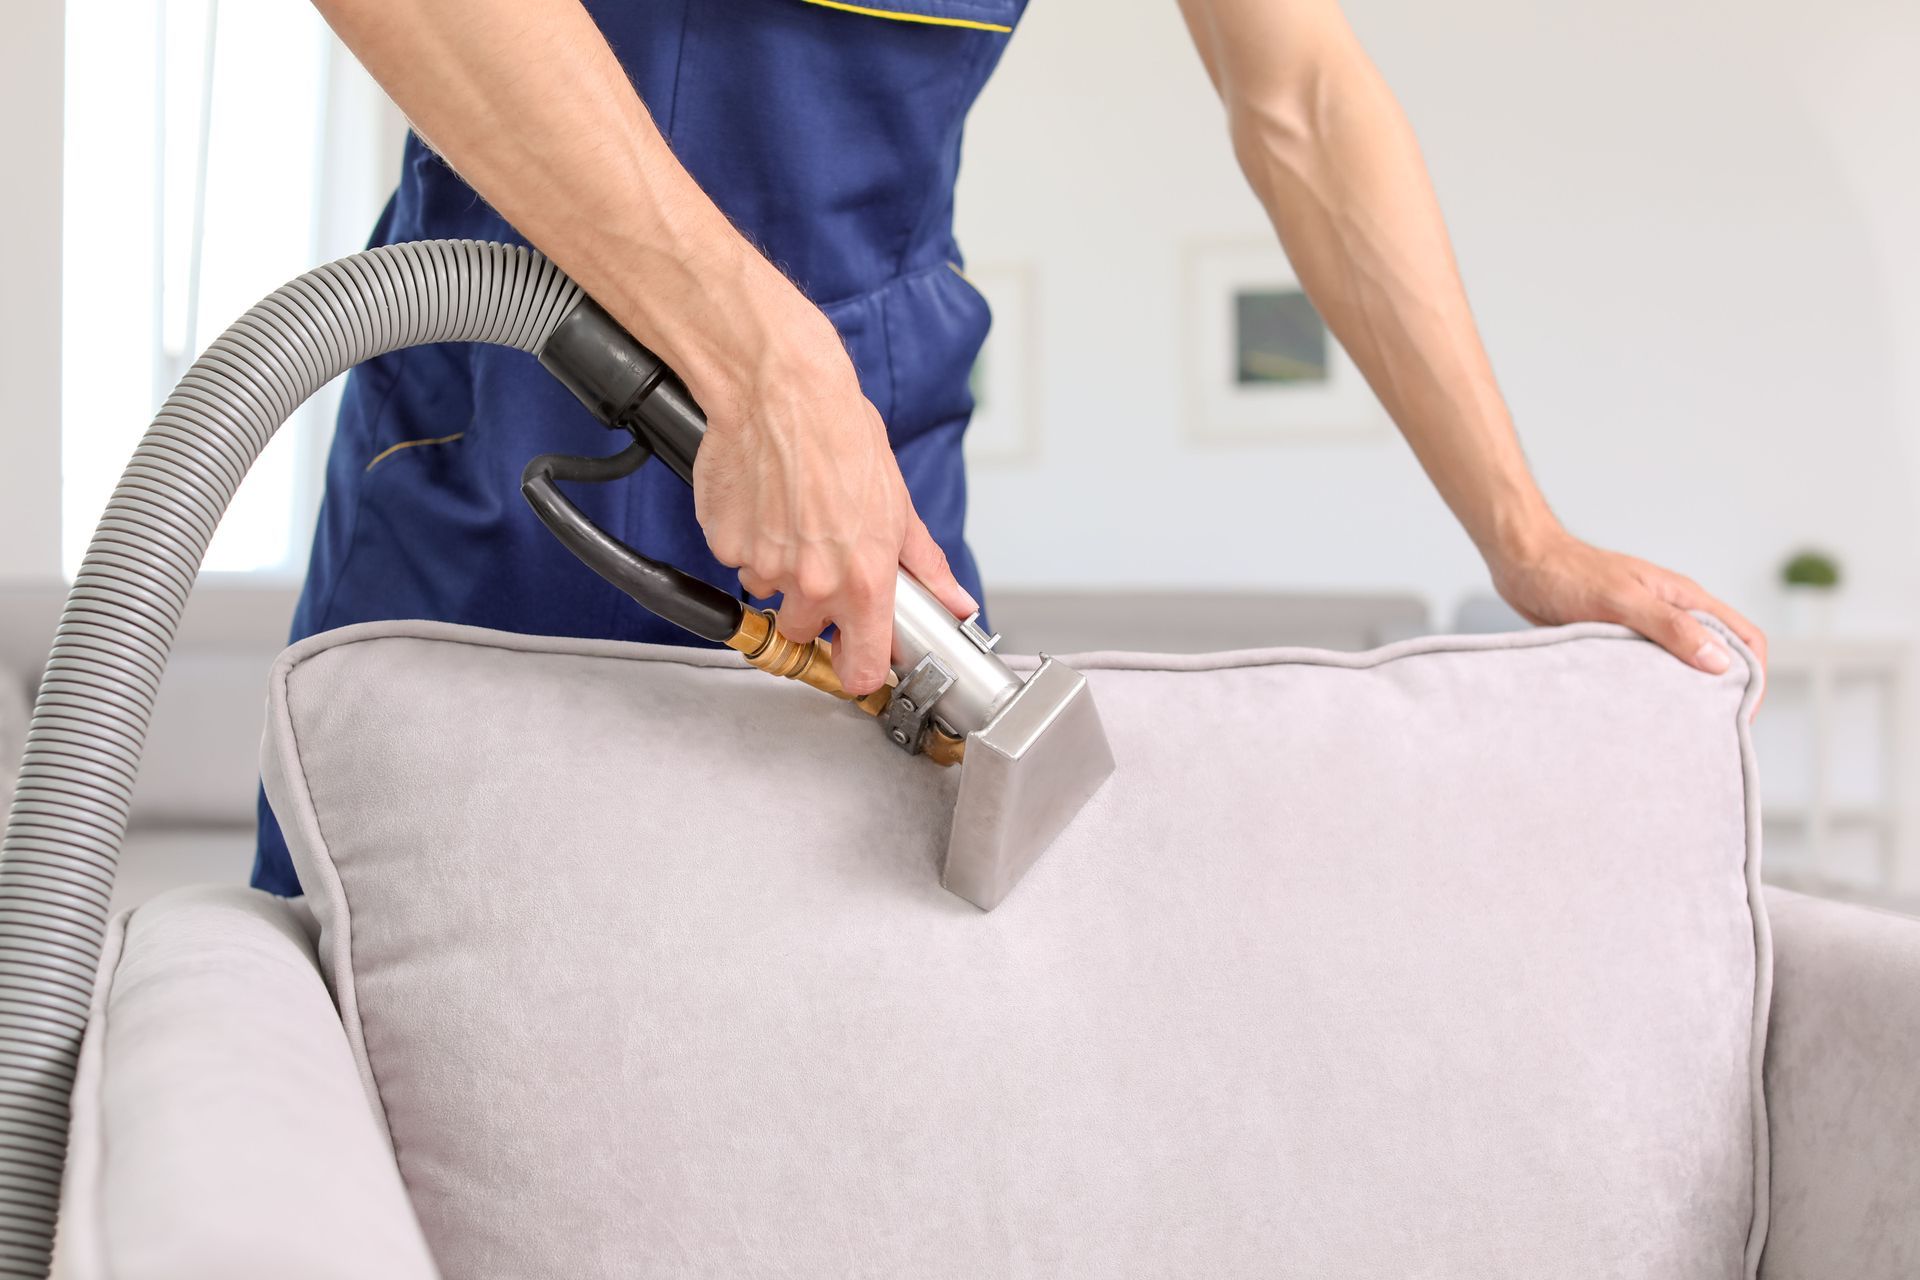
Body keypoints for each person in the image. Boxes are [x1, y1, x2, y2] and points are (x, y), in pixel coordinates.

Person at [254, 0, 1767, 895]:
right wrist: (761, 355)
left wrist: (1523, 534)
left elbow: (1300, 95)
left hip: (879, 476)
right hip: (510, 425)